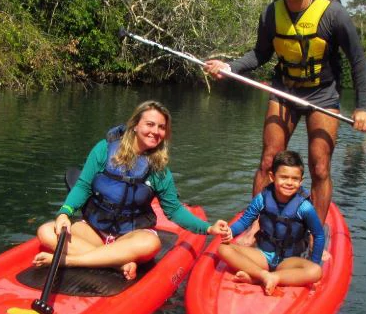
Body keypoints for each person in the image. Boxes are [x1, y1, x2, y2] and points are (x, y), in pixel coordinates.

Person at [204, 0, 366, 225]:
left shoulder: (333, 13)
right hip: (285, 90)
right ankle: (255, 225)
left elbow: (358, 60)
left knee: (319, 167)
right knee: (269, 161)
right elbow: (260, 54)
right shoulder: (271, 14)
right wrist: (230, 67)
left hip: (323, 95)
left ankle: (314, 233)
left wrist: (363, 107)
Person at [33, 100, 229, 280]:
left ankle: (69, 261)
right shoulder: (103, 149)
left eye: (162, 127)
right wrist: (64, 213)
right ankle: (117, 264)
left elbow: (174, 210)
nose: (156, 131)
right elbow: (83, 185)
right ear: (135, 125)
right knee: (47, 231)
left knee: (151, 244)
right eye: (150, 124)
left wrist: (208, 228)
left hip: (131, 237)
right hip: (95, 230)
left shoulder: (159, 170)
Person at [217, 150, 325, 296]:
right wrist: (230, 231)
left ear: (301, 181)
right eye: (284, 177)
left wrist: (315, 261)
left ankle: (268, 277)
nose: (289, 182)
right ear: (272, 177)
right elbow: (244, 221)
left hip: (289, 261)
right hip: (263, 256)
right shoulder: (262, 199)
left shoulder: (304, 207)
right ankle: (263, 276)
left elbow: (318, 235)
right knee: (223, 249)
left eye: (294, 179)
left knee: (315, 271)